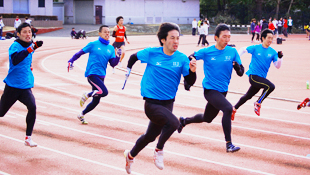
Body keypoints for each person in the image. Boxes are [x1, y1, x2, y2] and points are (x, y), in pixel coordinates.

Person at [123, 22, 197, 174]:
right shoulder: (152, 53)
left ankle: (130, 155)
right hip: (151, 103)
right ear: (163, 40)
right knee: (174, 123)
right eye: (172, 38)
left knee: (149, 136)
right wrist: (128, 71)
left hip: (168, 103)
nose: (176, 41)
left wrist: (193, 71)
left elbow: (188, 83)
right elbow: (133, 57)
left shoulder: (182, 59)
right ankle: (159, 150)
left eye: (178, 38)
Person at [177, 24, 244, 153]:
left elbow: (241, 72)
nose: (227, 40)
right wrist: (188, 77)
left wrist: (237, 68)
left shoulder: (232, 52)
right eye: (224, 37)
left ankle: (184, 121)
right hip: (210, 90)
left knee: (207, 118)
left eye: (229, 37)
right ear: (216, 37)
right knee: (228, 109)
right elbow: (189, 57)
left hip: (223, 90)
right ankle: (229, 144)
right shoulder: (207, 51)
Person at [0, 22, 43, 147]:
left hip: (24, 86)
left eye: (29, 31)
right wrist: (32, 48)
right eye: (24, 32)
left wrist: (29, 67)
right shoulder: (15, 45)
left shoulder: (30, 45)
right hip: (13, 86)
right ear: (18, 34)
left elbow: (26, 60)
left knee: (32, 107)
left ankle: (28, 138)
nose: (28, 34)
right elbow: (16, 59)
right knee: (1, 112)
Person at [67, 25, 120, 124]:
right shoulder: (93, 44)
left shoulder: (111, 48)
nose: (107, 34)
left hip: (101, 75)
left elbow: (113, 64)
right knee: (104, 92)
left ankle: (81, 114)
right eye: (105, 32)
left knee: (96, 101)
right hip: (92, 74)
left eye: (108, 32)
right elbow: (80, 53)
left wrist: (118, 56)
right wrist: (71, 61)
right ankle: (87, 94)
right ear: (99, 33)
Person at [233, 29, 283, 117]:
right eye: (269, 38)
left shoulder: (273, 52)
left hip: (261, 78)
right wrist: (236, 60)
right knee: (270, 86)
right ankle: (258, 103)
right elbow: (243, 49)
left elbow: (278, 66)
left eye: (272, 38)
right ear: (263, 38)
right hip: (253, 76)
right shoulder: (256, 48)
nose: (270, 40)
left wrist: (280, 58)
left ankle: (234, 108)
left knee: (248, 96)